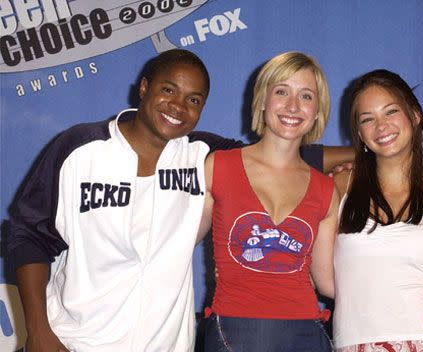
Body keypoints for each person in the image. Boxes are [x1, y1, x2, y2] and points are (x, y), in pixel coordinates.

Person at [5, 49, 348, 351]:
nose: (178, 106)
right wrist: (39, 332)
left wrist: (371, 152)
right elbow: (28, 236)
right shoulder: (79, 148)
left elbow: (282, 157)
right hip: (73, 341)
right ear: (144, 88)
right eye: (168, 90)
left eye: (194, 99)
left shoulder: (201, 155)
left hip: (165, 344)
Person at [200, 51, 339, 352]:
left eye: (306, 96)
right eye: (281, 92)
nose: (292, 106)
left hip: (305, 332)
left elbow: (328, 283)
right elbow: (176, 246)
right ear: (263, 100)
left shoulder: (326, 189)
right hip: (235, 330)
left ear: (317, 110)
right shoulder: (218, 166)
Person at [332, 69, 423, 352]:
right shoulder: (339, 187)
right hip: (354, 342)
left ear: (414, 115)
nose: (381, 126)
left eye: (390, 112)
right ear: (360, 134)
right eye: (367, 119)